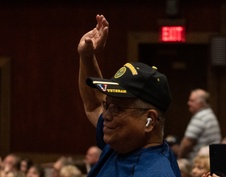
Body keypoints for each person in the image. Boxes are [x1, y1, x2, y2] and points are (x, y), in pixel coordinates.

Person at [77, 14, 182, 177]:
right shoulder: (120, 144)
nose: (106, 115)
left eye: (117, 108)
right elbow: (95, 105)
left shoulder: (154, 173)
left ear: (150, 121)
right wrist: (87, 56)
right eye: (108, 105)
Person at [178, 89, 222, 160]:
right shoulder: (210, 114)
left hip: (200, 161)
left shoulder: (200, 117)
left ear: (201, 103)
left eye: (192, 101)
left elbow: (186, 143)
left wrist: (179, 157)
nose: (188, 103)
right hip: (210, 159)